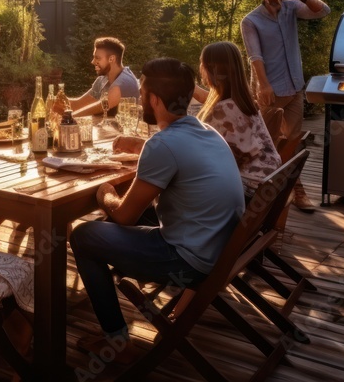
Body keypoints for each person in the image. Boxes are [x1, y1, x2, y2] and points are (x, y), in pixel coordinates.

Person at [69, 58, 244, 362]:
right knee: (112, 224)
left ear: (153, 99)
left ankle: (117, 341)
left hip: (188, 260)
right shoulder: (206, 132)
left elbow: (124, 216)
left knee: (85, 235)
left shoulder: (163, 146)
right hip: (219, 247)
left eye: (140, 93)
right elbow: (175, 156)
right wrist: (143, 144)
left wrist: (105, 194)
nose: (138, 99)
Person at [240, 0, 329, 211]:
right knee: (265, 143)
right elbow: (254, 56)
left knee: (292, 143)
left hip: (295, 87)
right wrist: (264, 85)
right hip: (271, 91)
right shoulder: (250, 21)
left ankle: (296, 192)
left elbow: (323, 11)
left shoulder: (292, 8)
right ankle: (258, 192)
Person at [193, 42, 281, 199]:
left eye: (202, 63)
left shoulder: (224, 109)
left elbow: (203, 154)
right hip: (265, 184)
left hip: (247, 189)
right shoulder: (241, 102)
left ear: (211, 69)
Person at [55, 37, 140, 118]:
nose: (93, 62)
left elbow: (102, 106)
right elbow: (79, 104)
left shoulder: (125, 82)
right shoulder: (102, 79)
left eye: (97, 58)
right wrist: (55, 101)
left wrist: (69, 117)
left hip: (126, 131)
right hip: (106, 131)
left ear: (112, 59)